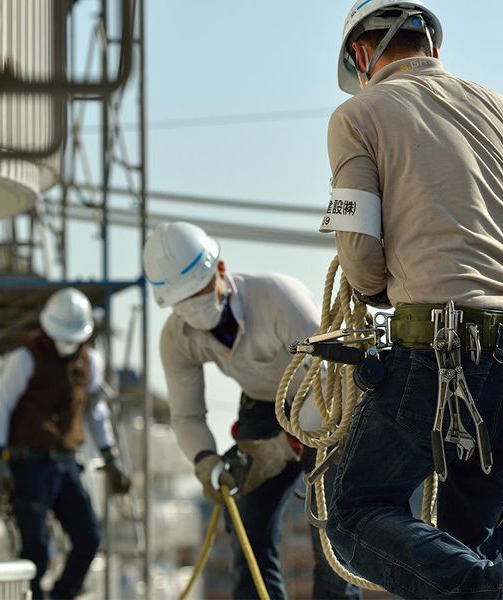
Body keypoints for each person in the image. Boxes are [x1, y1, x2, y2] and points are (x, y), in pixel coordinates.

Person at [320, 1, 503, 598]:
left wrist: (376, 285)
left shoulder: (357, 114)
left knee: (355, 513)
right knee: (464, 547)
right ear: (433, 46)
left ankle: (500, 588)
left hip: (438, 355)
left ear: (362, 55)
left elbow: (361, 254)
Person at [142, 221, 359, 600]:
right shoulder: (177, 340)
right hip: (262, 407)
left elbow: (326, 375)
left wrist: (291, 441)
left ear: (221, 270)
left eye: (199, 291)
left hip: (322, 402)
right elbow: (187, 415)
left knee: (330, 542)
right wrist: (206, 460)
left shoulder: (278, 299)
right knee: (246, 527)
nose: (194, 307)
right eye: (183, 302)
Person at [0, 287, 131, 600]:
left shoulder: (89, 362)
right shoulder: (25, 357)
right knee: (34, 549)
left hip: (65, 462)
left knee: (89, 537)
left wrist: (110, 456)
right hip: (29, 463)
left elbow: (96, 411)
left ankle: (61, 596)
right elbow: (1, 406)